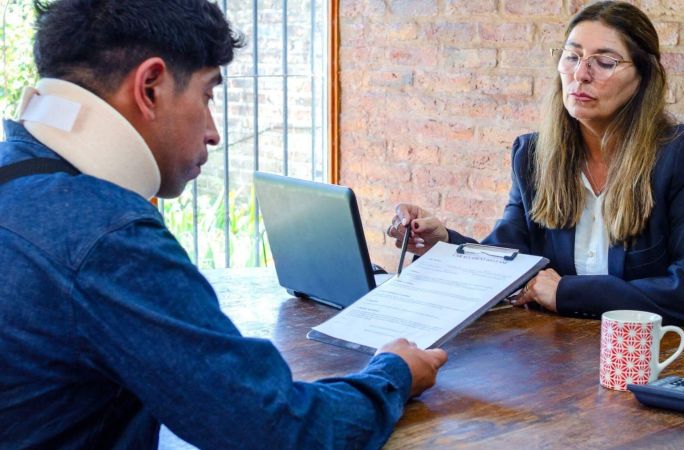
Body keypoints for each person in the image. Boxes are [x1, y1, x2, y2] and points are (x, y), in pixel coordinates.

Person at [0, 1, 447, 448]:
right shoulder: (107, 238)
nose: (214, 132)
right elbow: (278, 430)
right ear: (150, 87)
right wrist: (393, 373)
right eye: (208, 94)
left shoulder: (15, 179)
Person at [388, 1, 684, 329]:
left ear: (643, 78)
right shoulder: (532, 156)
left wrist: (569, 292)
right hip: (582, 349)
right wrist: (444, 243)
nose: (581, 74)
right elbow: (506, 259)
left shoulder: (683, 153)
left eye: (605, 62)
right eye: (572, 56)